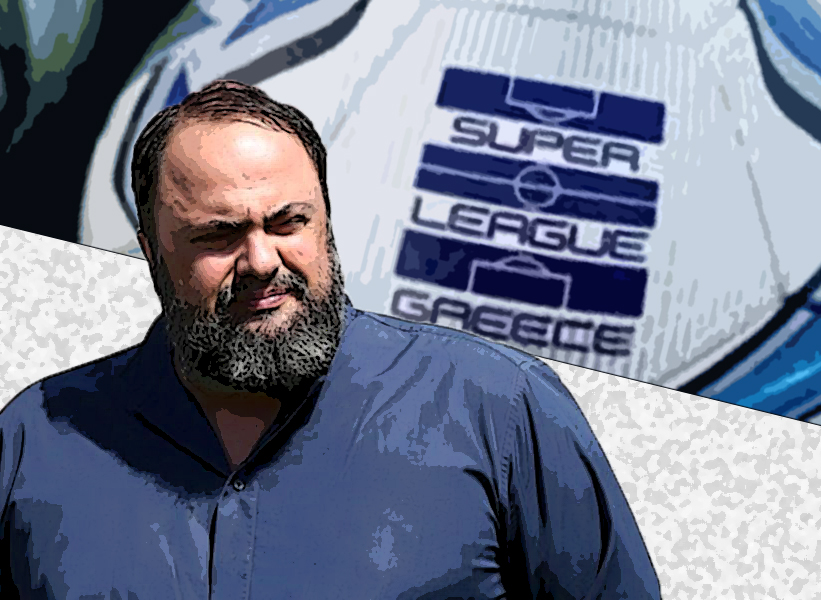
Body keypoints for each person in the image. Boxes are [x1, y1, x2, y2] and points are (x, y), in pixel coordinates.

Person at [0, 80, 662, 599]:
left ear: (326, 222)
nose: (262, 261)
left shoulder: (499, 408)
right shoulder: (37, 440)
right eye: (219, 235)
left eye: (288, 222)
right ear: (151, 251)